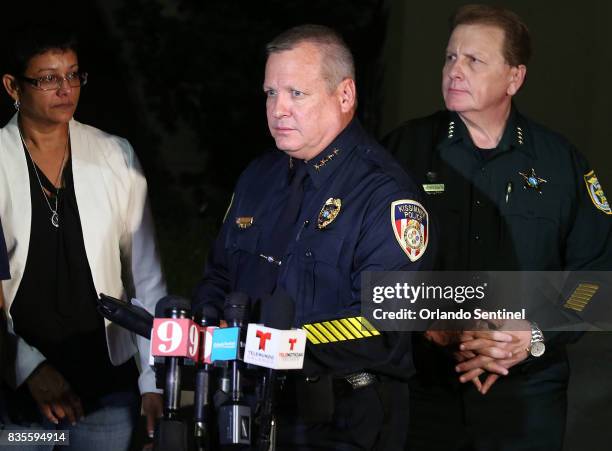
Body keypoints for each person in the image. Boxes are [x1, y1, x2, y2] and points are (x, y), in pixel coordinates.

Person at [194, 24, 435, 450]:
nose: (278, 110)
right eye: (270, 93)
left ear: (344, 96)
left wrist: (274, 344)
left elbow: (381, 326)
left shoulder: (384, 194)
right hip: (245, 407)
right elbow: (218, 277)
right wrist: (213, 330)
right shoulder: (258, 177)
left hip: (341, 419)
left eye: (296, 94)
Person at [383, 4, 612, 451]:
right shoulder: (402, 152)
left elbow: (596, 279)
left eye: (474, 60)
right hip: (423, 392)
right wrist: (437, 323)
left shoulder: (560, 164)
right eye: (450, 57)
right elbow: (366, 266)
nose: (455, 70)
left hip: (527, 397)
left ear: (514, 78)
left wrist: (536, 333)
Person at [0, 25, 166, 449]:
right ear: (12, 86)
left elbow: (145, 278)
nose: (65, 89)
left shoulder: (115, 155)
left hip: (105, 387)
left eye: (73, 75)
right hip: (18, 394)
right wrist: (27, 368)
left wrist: (153, 381)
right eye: (48, 78)